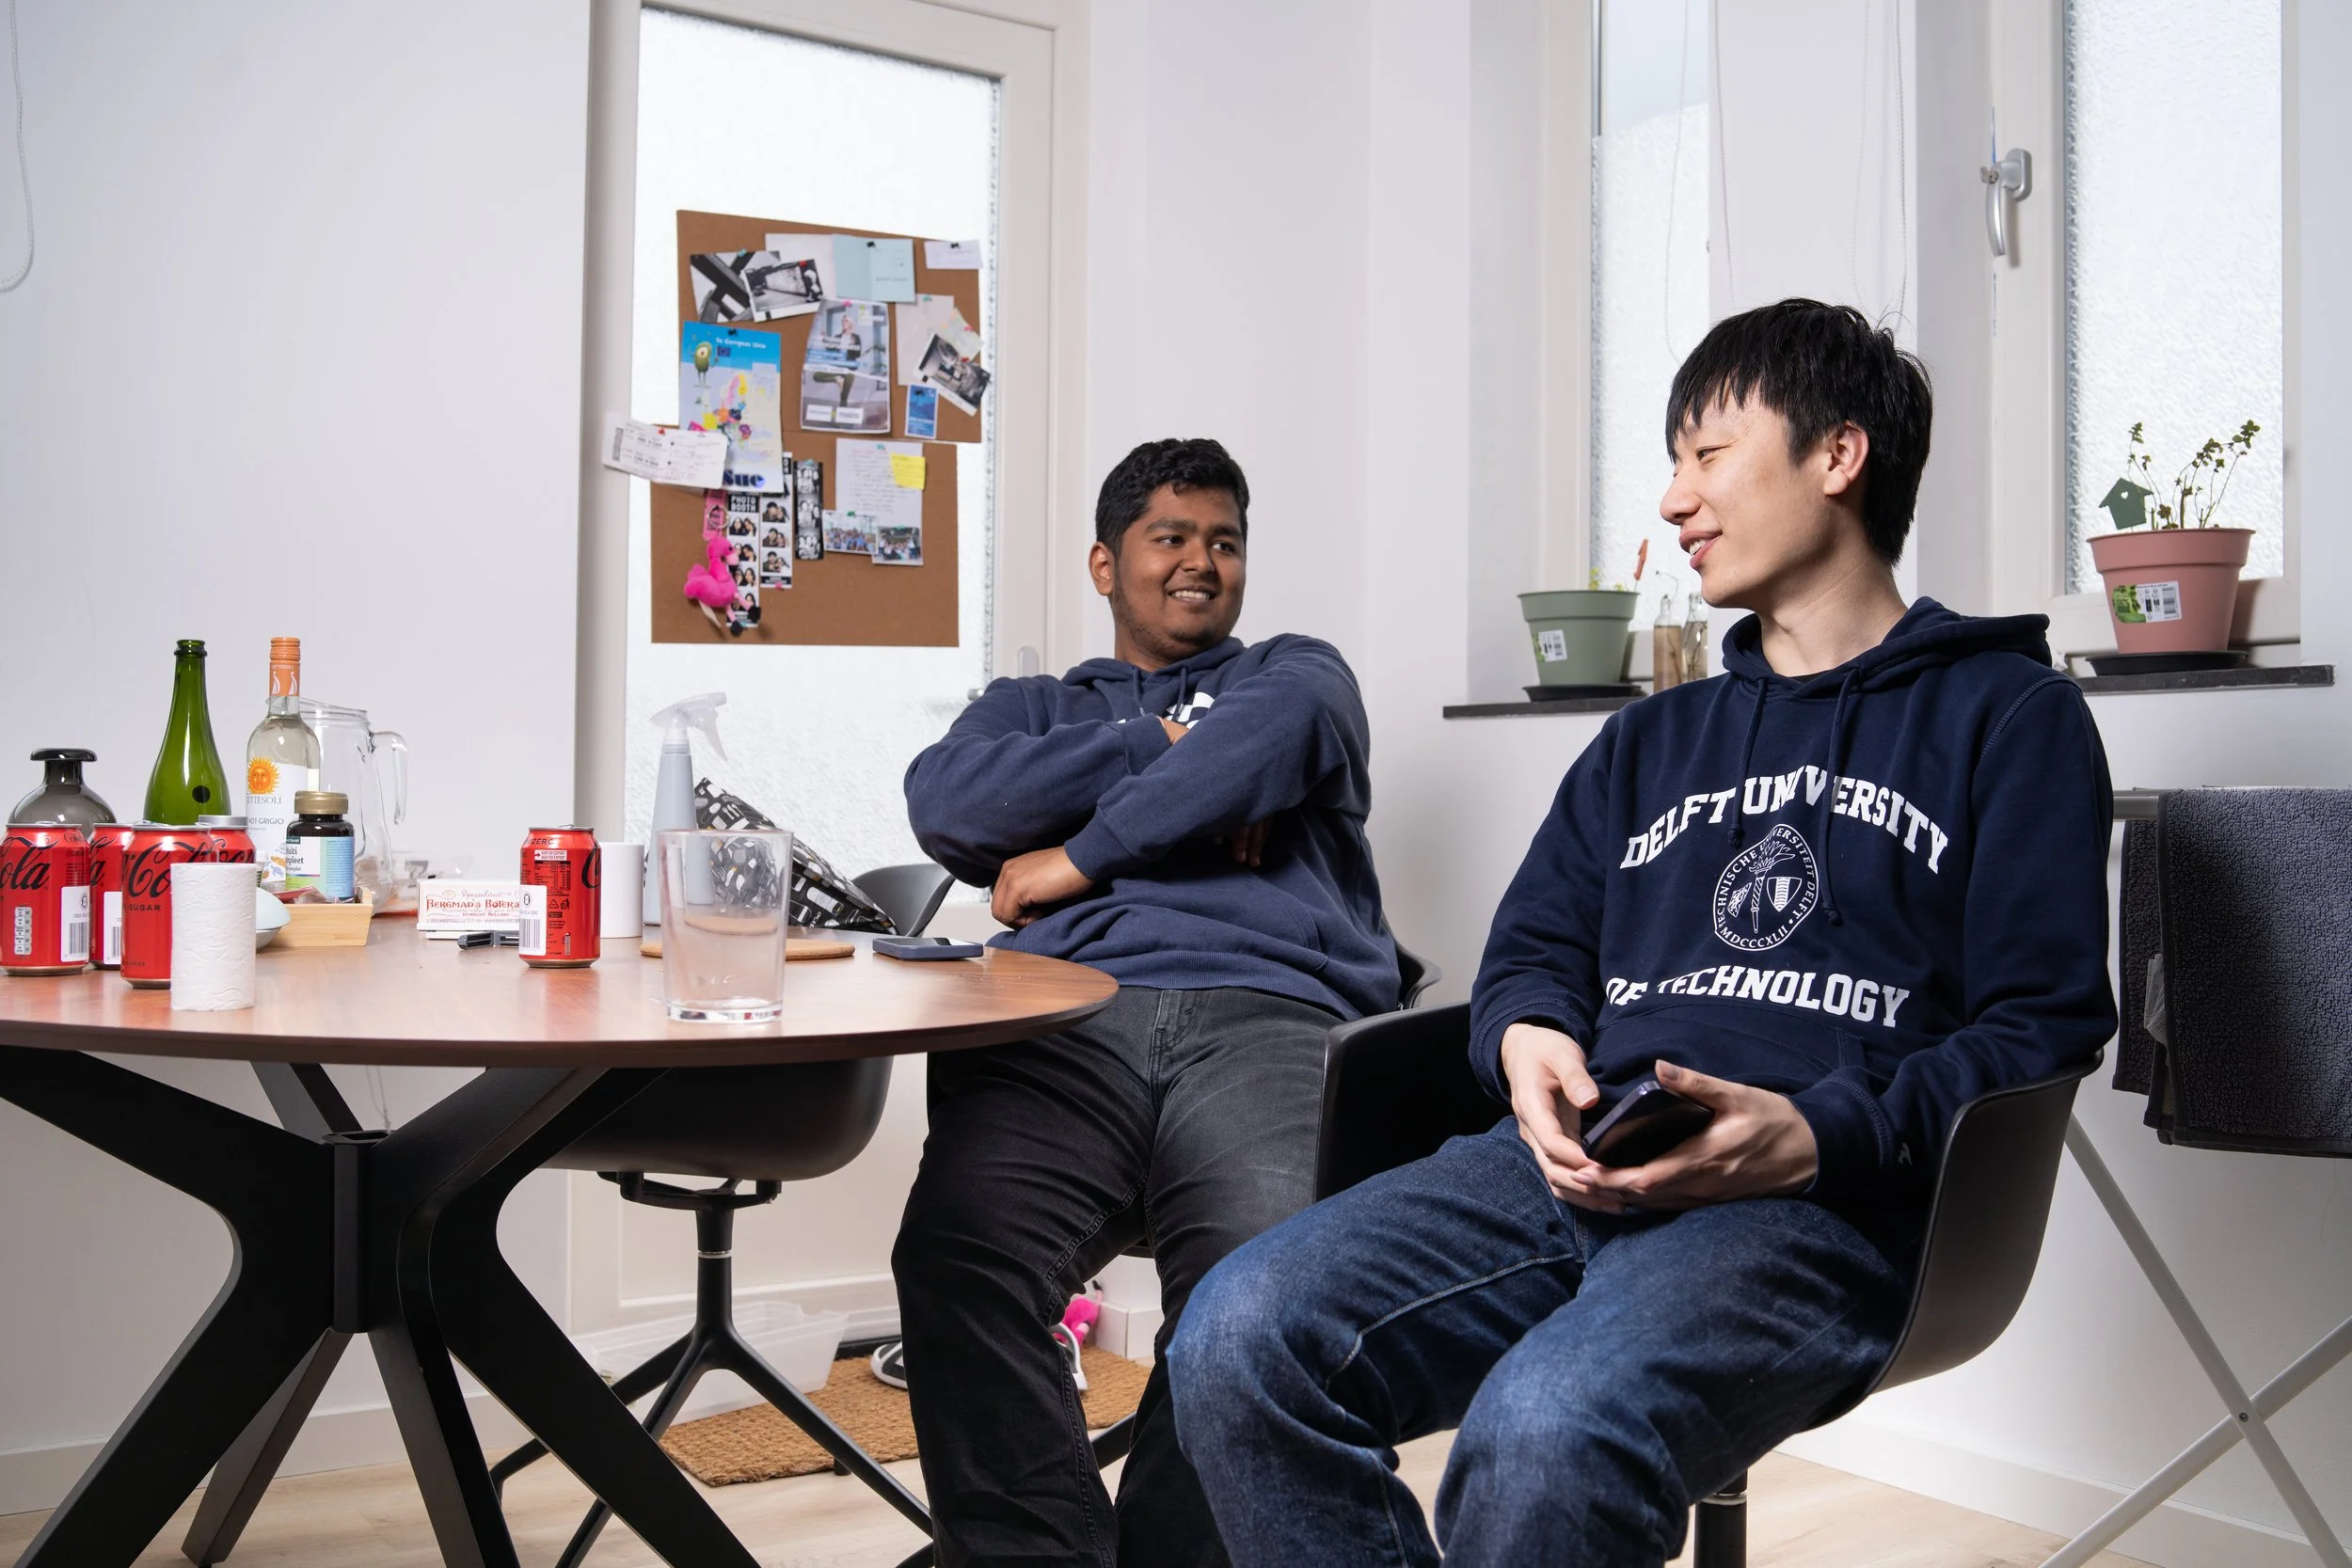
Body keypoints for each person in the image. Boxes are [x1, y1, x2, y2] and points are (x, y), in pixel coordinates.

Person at [1167, 300, 2119, 1567]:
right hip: (1563, 1166)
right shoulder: (1648, 740)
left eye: (1707, 454)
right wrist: (1529, 1043)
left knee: (1548, 1422)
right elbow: (1532, 954)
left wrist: (1817, 1134)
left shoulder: (2010, 717)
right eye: (1674, 462)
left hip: (1812, 1206)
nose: (1675, 499)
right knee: (1237, 1333)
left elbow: (2041, 1023)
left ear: (1838, 455)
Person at [894, 436, 1401, 1567]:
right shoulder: (1033, 704)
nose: (1200, 562)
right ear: (1104, 564)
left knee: (1254, 1298)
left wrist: (1078, 853)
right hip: (1063, 1020)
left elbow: (1280, 730)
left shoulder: (1292, 672)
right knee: (957, 1254)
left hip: (1269, 1013)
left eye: (1225, 541)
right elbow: (949, 802)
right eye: (1170, 536)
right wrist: (1164, 750)